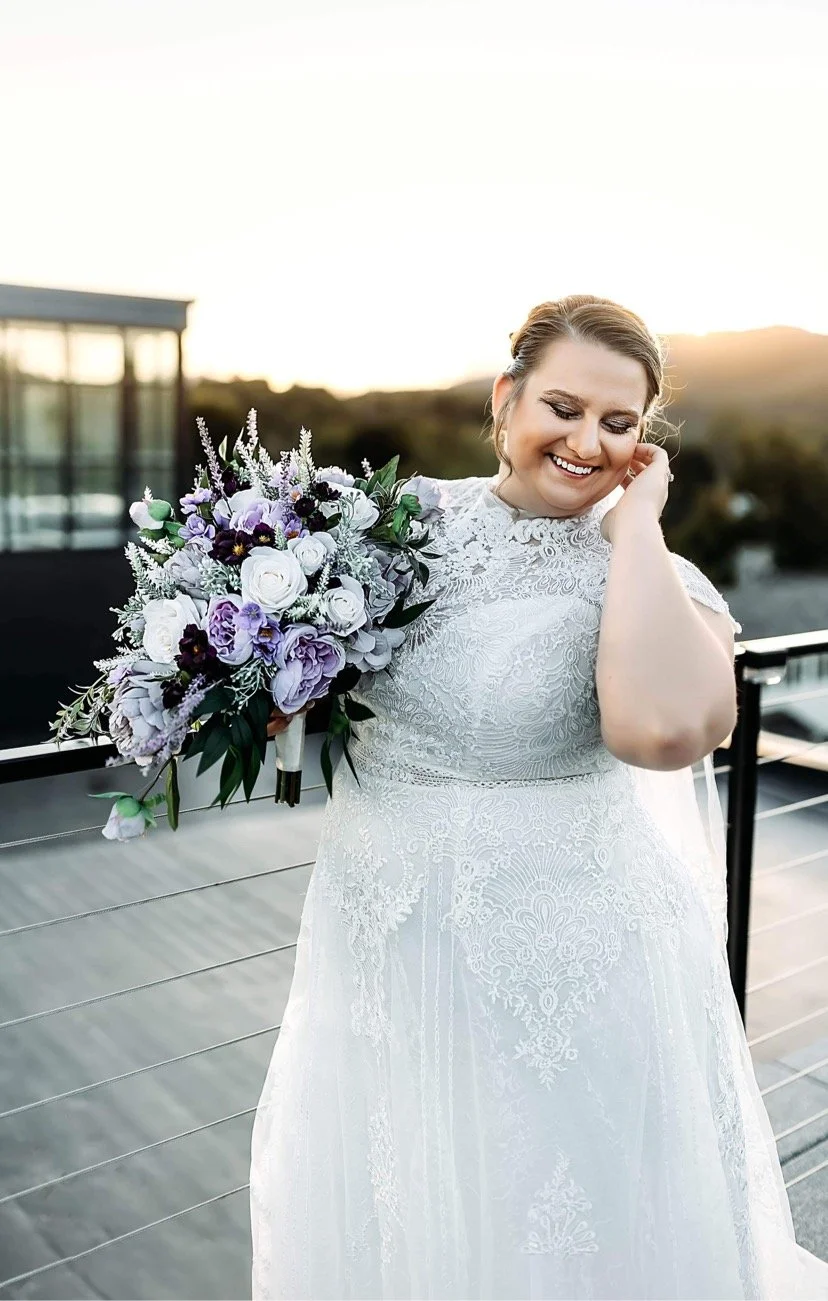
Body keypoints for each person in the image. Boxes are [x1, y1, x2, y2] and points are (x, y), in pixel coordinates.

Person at [250, 295, 828, 1300]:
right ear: (505, 396)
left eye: (620, 424)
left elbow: (664, 731)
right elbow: (292, 678)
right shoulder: (388, 527)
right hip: (381, 942)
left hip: (565, 967)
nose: (586, 440)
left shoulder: (654, 573)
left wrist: (638, 530)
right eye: (562, 405)